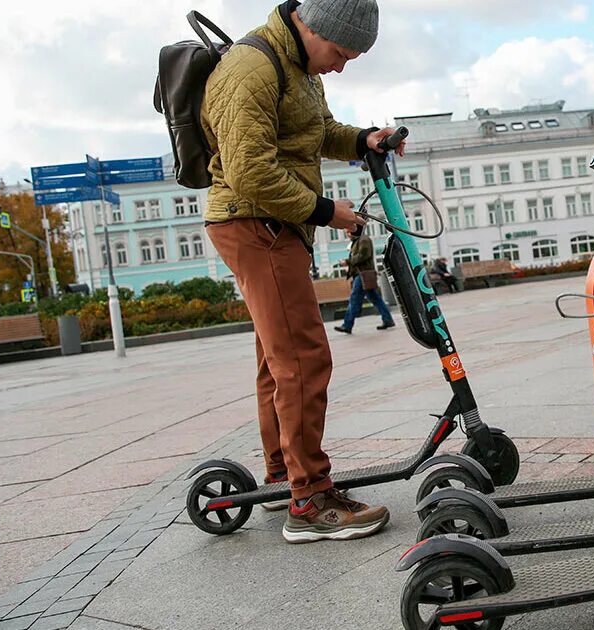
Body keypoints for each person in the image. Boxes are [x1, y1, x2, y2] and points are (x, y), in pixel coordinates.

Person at [201, 0, 397, 543]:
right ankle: (310, 501)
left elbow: (317, 131)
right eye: (339, 53)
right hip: (254, 221)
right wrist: (323, 211)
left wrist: (363, 139)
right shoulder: (252, 68)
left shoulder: (298, 66)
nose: (340, 66)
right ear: (311, 25)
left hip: (273, 224)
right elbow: (249, 172)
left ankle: (283, 473)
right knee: (305, 359)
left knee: (278, 359)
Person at [335, 231, 395, 332]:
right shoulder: (358, 240)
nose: (347, 234)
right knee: (375, 298)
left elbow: (363, 256)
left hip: (362, 274)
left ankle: (347, 325)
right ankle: (388, 319)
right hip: (362, 274)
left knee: (354, 299)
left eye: (348, 232)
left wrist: (347, 261)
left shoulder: (363, 240)